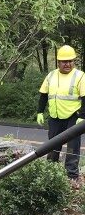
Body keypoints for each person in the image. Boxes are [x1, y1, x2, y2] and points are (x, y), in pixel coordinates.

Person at [37, 45, 85, 182]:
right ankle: (50, 172)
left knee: (72, 147)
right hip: (55, 117)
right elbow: (43, 95)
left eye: (70, 61)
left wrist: (82, 116)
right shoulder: (51, 75)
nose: (67, 64)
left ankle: (71, 176)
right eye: (64, 61)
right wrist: (40, 111)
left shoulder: (80, 76)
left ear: (74, 61)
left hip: (73, 117)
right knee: (52, 146)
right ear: (58, 62)